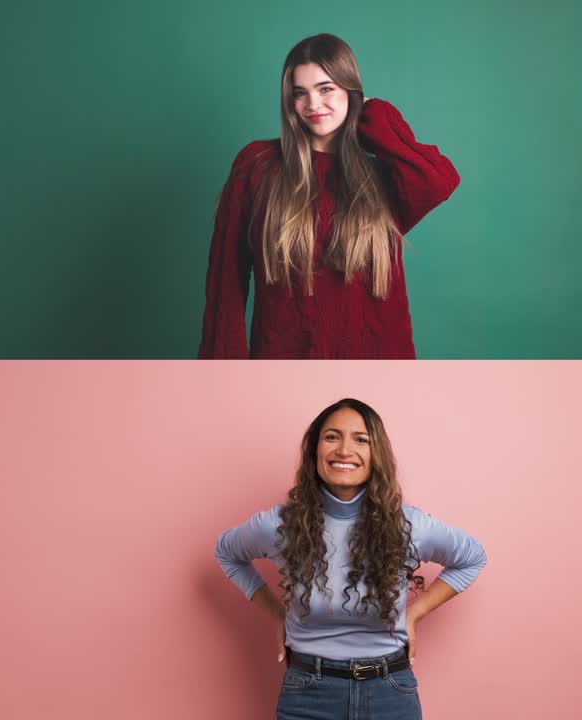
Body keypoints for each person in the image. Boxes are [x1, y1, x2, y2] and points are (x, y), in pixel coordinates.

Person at [214, 398, 486, 719]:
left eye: (361, 440)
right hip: (307, 693)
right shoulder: (279, 525)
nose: (344, 450)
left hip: (390, 691)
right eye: (332, 437)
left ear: (377, 455)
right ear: (315, 450)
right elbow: (227, 552)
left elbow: (472, 557)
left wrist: (414, 614)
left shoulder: (408, 525)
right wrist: (277, 614)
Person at [198, 34, 460, 359]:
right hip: (283, 368)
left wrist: (376, 117)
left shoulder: (382, 177)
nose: (313, 105)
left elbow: (439, 181)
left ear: (350, 92)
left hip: (378, 368)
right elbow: (226, 281)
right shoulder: (258, 166)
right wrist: (223, 374)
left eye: (326, 89)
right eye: (299, 93)